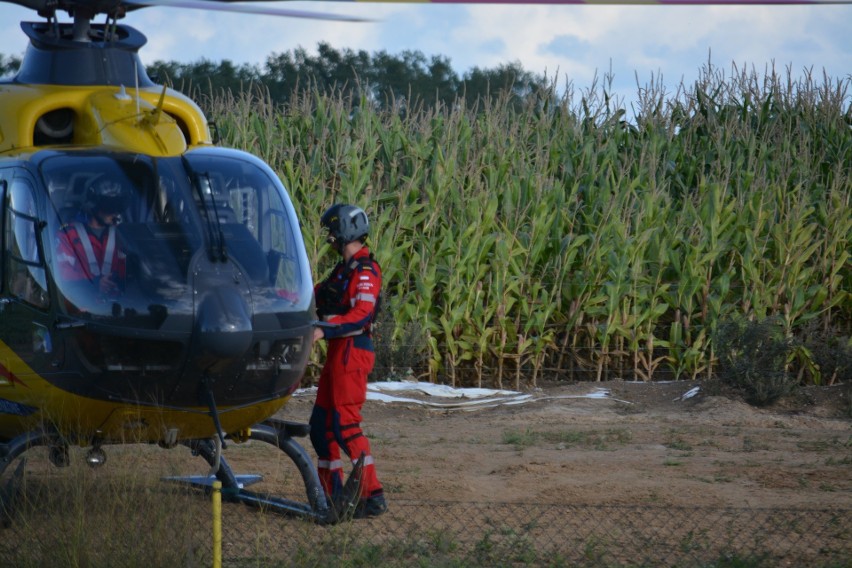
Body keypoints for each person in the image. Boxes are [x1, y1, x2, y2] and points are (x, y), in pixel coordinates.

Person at [310, 203, 387, 519]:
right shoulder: (342, 270)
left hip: (352, 351)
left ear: (344, 231)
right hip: (337, 353)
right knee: (320, 428)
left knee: (345, 426)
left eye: (332, 231)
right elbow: (315, 295)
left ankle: (372, 495)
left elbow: (360, 316)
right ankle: (335, 497)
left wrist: (323, 329)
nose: (329, 237)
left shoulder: (366, 271)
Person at [55, 176, 128, 297]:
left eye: (118, 206)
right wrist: (94, 285)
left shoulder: (122, 237)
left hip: (120, 306)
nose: (115, 212)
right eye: (109, 206)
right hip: (81, 308)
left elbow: (134, 271)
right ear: (93, 206)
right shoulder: (67, 236)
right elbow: (63, 279)